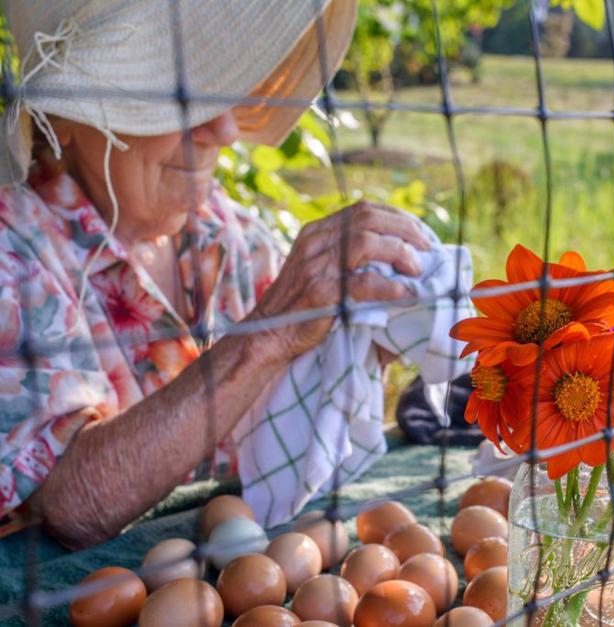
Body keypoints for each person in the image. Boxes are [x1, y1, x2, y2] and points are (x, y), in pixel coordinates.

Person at [0, 0, 430, 549]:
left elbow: (297, 398)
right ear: (67, 117)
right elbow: (70, 503)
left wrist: (368, 336)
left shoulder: (224, 232)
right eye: (181, 98)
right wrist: (269, 332)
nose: (226, 128)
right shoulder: (14, 253)